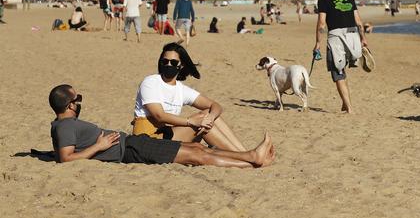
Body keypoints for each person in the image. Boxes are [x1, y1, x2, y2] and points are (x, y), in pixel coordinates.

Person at [48, 84, 274, 168]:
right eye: (78, 99)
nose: (80, 102)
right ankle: (252, 157)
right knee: (197, 155)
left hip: (131, 144)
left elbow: (63, 152)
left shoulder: (64, 125)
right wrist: (99, 146)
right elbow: (65, 158)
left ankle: (250, 159)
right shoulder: (64, 126)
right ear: (69, 105)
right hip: (129, 151)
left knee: (197, 150)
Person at [132, 43, 251, 152]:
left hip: (167, 134)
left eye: (173, 62)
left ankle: (244, 152)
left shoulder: (181, 89)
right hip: (147, 138)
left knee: (208, 116)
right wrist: (190, 121)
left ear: (181, 65)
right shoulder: (151, 82)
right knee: (202, 121)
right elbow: (159, 116)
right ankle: (245, 156)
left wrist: (211, 117)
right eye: (165, 61)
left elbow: (215, 106)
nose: (168, 65)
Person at [313, 0, 367, 114]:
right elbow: (359, 22)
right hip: (353, 35)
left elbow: (322, 24)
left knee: (338, 72)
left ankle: (349, 108)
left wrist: (318, 43)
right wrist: (363, 39)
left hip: (336, 37)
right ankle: (345, 102)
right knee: (342, 69)